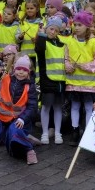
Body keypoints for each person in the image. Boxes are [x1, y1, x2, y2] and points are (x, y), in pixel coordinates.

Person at [65, 11, 95, 144]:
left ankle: (87, 132)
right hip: (73, 81)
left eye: (80, 25)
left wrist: (84, 66)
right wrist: (68, 66)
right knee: (74, 106)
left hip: (89, 82)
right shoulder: (69, 41)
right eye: (75, 24)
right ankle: (75, 131)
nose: (76, 27)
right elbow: (65, 58)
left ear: (87, 26)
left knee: (88, 106)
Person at [0, 55, 40, 165]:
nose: (21, 72)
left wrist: (22, 119)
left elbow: (32, 106)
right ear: (14, 69)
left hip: (21, 120)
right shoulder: (7, 80)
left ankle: (29, 150)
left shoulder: (30, 87)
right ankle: (26, 141)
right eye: (18, 69)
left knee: (14, 131)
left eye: (24, 70)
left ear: (29, 71)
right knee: (8, 141)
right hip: (5, 118)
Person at [35, 16, 67, 144]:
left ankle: (58, 132)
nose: (53, 32)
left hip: (60, 80)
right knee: (46, 106)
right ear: (47, 28)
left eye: (56, 30)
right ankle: (44, 132)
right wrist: (42, 34)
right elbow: (39, 49)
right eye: (51, 29)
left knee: (58, 107)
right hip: (47, 79)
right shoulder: (42, 41)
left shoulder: (62, 44)